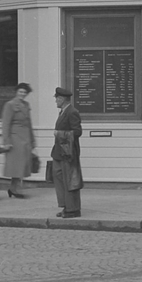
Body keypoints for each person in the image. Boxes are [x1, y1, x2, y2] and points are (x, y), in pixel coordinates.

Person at [50, 87, 83, 218]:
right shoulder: (63, 112)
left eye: (57, 99)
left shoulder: (72, 112)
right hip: (60, 152)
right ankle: (65, 207)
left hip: (68, 153)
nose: (55, 102)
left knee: (70, 181)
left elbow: (78, 132)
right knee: (60, 179)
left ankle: (73, 209)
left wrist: (60, 134)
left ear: (62, 99)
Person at [0, 82, 37, 198]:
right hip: (15, 139)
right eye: (20, 91)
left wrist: (32, 140)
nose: (22, 94)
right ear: (16, 92)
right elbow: (5, 124)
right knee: (17, 166)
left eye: (25, 92)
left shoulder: (26, 104)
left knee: (22, 165)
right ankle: (16, 190)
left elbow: (29, 123)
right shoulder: (10, 105)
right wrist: (6, 141)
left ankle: (13, 188)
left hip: (25, 138)